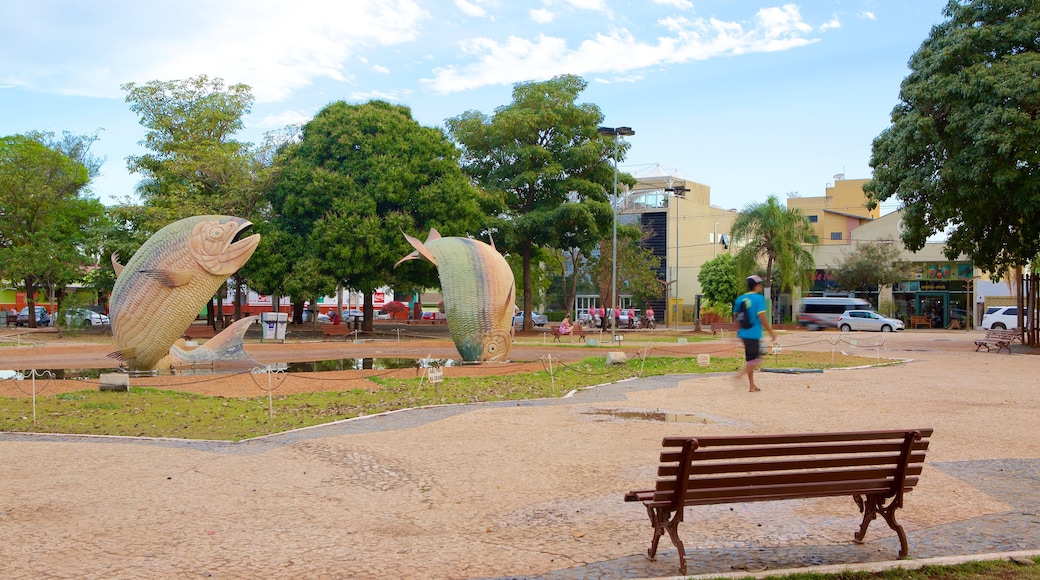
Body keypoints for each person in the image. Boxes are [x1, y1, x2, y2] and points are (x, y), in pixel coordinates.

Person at [733, 275, 777, 392]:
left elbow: (737, 318)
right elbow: (762, 317)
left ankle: (751, 385)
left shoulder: (740, 299)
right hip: (753, 334)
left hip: (743, 333)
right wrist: (771, 331)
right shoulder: (758, 299)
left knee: (750, 359)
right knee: (757, 360)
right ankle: (740, 374)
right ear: (757, 286)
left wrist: (737, 333)